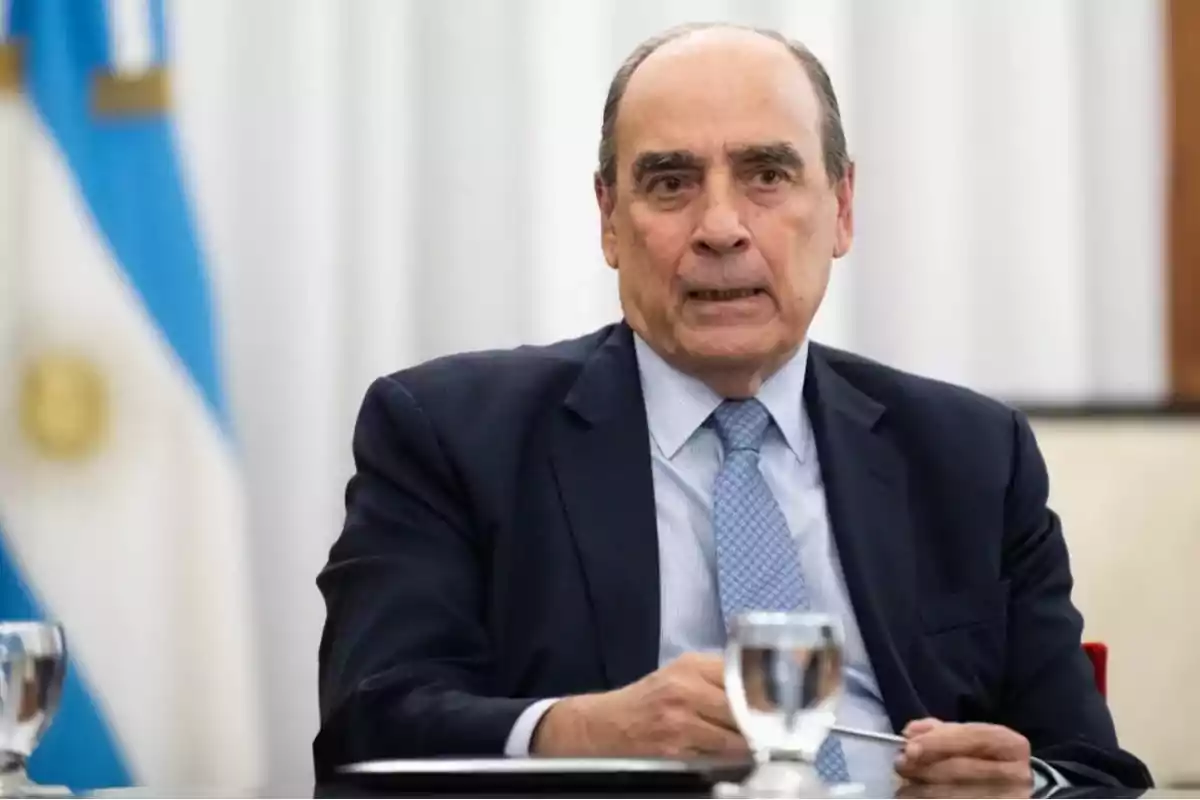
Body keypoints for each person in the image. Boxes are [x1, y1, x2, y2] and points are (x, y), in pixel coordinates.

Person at [314, 22, 1152, 792]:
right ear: (609, 219)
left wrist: (1023, 787)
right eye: (672, 182)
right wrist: (581, 731)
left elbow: (1093, 772)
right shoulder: (450, 433)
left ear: (842, 208)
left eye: (767, 175)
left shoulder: (971, 455)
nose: (721, 227)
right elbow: (366, 733)